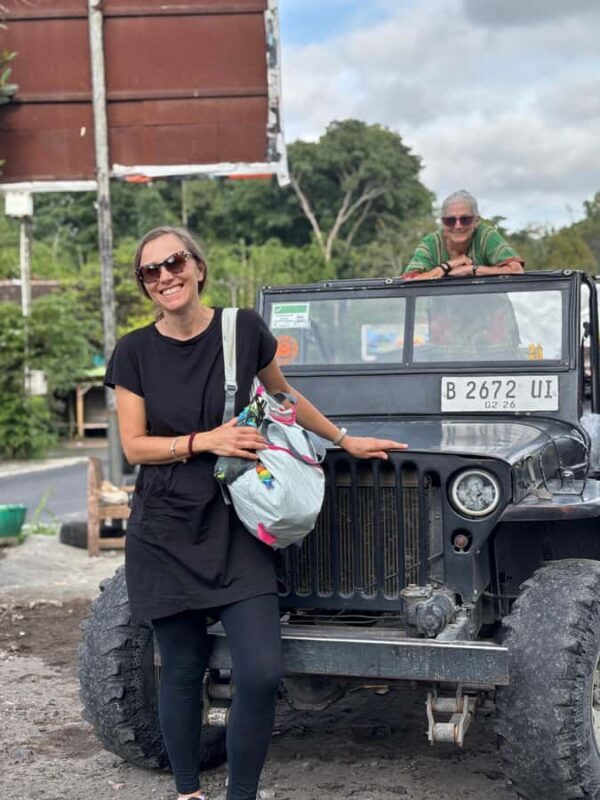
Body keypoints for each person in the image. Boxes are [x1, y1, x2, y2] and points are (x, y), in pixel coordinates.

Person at [104, 225, 407, 800]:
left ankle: (242, 794)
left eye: (174, 263)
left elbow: (284, 397)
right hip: (165, 528)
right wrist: (205, 441)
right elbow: (135, 446)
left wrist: (345, 439)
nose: (164, 276)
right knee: (182, 670)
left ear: (198, 267)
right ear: (144, 286)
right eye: (150, 271)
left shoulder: (241, 329)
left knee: (263, 671)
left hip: (237, 523)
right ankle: (189, 792)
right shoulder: (134, 351)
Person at [403, 189, 525, 279]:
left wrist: (472, 269)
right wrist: (447, 266)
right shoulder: (431, 243)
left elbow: (516, 270)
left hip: (489, 309)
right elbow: (409, 279)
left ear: (476, 221)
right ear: (442, 222)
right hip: (444, 310)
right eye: (450, 220)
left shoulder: (486, 235)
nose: (458, 226)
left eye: (465, 219)